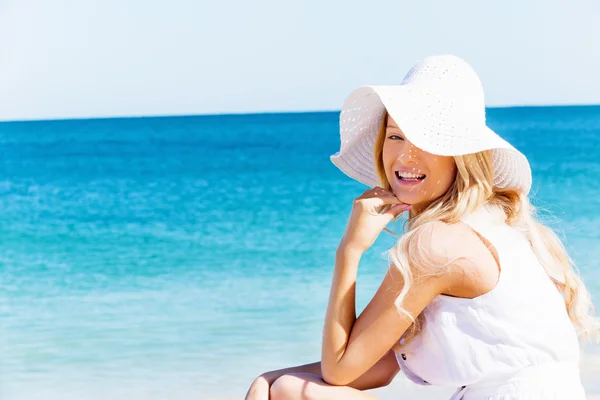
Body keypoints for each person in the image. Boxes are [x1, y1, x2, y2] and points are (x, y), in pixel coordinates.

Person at [244, 55, 600, 400]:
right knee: (286, 387)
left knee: (292, 393)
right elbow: (379, 366)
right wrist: (269, 377)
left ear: (461, 155)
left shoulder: (435, 244)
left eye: (428, 140)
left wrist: (349, 251)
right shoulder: (494, 225)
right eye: (396, 137)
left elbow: (340, 371)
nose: (406, 157)